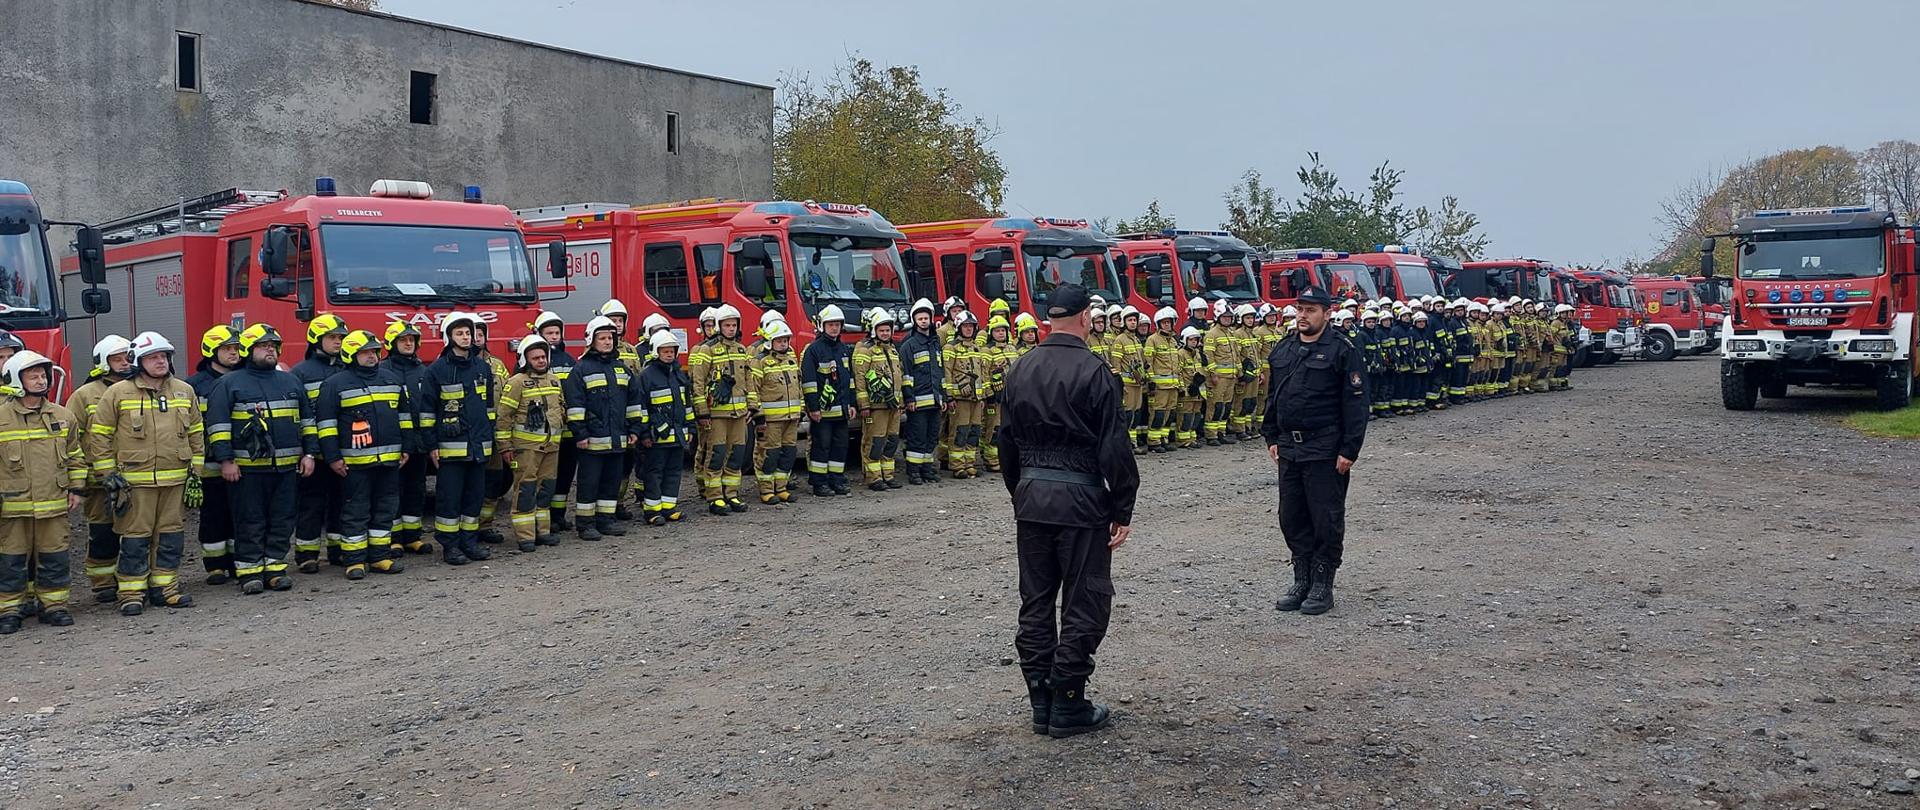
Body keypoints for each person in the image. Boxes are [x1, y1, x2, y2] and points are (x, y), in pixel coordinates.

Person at [996, 283, 1138, 739]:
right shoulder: (1096, 371)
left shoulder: (1020, 368)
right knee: (1085, 598)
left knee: (1036, 601)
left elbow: (1005, 443)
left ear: (1049, 320)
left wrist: (1021, 492)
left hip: (1032, 499)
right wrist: (1122, 506)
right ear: (1086, 318)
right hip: (1081, 501)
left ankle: (1041, 699)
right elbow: (1114, 447)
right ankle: (1068, 701)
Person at [1261, 287, 1368, 617]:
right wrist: (1271, 435)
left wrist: (1349, 449)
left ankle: (1322, 583)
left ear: (1327, 313)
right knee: (1291, 516)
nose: (1303, 315)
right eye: (1300, 309)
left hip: (1325, 447)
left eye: (1310, 310)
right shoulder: (1285, 348)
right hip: (1290, 447)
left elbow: (1356, 402)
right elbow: (1274, 395)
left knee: (1325, 517)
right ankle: (1302, 578)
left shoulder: (1342, 350)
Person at [89, 332, 204, 616]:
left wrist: (196, 473)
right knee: (135, 539)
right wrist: (108, 474)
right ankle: (131, 594)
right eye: (153, 357)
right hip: (134, 483)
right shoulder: (118, 393)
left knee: (170, 538)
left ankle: (166, 589)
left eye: (164, 356)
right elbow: (100, 436)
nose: (160, 361)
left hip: (175, 481)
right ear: (138, 361)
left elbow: (196, 433)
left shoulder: (184, 390)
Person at [205, 324, 312, 594]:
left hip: (286, 469)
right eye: (263, 346)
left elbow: (307, 422)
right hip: (247, 470)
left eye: (273, 346)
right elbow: (218, 426)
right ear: (248, 350)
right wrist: (226, 460)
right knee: (249, 520)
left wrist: (309, 454)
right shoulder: (228, 384)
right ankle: (249, 572)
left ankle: (275, 569)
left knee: (282, 520)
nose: (270, 350)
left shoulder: (291, 381)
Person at [316, 329, 415, 578]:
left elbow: (404, 418)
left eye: (374, 352)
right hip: (354, 464)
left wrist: (407, 448)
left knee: (385, 510)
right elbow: (326, 426)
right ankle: (354, 561)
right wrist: (333, 458)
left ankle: (380, 557)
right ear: (351, 354)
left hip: (389, 461)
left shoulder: (391, 380)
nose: (372, 356)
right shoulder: (334, 384)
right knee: (355, 512)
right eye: (365, 352)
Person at [0, 350, 85, 633]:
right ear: (15, 379)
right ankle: (9, 610)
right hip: (12, 507)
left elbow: (75, 456)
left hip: (53, 504)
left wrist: (77, 488)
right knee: (11, 561)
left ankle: (54, 606)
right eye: (32, 376)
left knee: (54, 557)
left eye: (43, 375)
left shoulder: (62, 416)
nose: (41, 381)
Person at [565, 315, 643, 540]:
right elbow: (575, 406)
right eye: (602, 338)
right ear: (591, 340)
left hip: (617, 440)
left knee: (611, 482)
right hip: (591, 442)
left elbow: (634, 402)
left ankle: (606, 520)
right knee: (589, 484)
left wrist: (634, 429)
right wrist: (580, 434)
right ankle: (585, 524)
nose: (608, 342)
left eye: (610, 338)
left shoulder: (622, 370)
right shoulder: (580, 370)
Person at [426, 312, 495, 565]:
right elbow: (427, 412)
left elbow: (489, 408)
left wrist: (489, 438)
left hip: (478, 448)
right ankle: (450, 546)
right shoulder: (437, 370)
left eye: (468, 333)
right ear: (449, 337)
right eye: (460, 333)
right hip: (450, 450)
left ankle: (469, 542)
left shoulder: (482, 368)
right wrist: (431, 446)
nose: (466, 337)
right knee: (449, 500)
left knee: (474, 499)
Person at [73, 335, 134, 604]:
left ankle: (132, 578)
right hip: (99, 481)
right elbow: (71, 438)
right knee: (102, 532)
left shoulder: (139, 388)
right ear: (103, 362)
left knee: (134, 531)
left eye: (127, 358)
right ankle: (103, 583)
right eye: (117, 359)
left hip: (134, 476)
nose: (124, 363)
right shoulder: (85, 395)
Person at [496, 334, 566, 550]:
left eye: (543, 357)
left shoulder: (554, 380)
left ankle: (542, 532)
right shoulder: (516, 383)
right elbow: (504, 416)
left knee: (546, 489)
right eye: (535, 358)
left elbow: (561, 407)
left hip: (551, 446)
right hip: (525, 449)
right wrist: (505, 447)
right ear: (525, 360)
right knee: (525, 490)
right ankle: (525, 536)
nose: (541, 361)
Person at [292, 313, 349, 573]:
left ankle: (338, 550)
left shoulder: (348, 368)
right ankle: (307, 555)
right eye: (332, 337)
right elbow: (298, 415)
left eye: (341, 337)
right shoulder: (301, 373)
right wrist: (307, 450)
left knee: (342, 501)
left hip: (342, 449)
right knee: (311, 503)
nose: (338, 342)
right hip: (314, 451)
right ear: (316, 339)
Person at [185, 325, 241, 585]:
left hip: (240, 460)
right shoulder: (193, 386)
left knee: (240, 514)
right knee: (213, 515)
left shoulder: (244, 379)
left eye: (236, 348)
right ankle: (215, 565)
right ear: (211, 351)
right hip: (208, 464)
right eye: (227, 349)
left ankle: (238, 561)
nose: (233, 353)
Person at [380, 320, 436, 555]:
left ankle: (413, 536)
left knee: (416, 488)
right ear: (392, 344)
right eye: (403, 340)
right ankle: (393, 538)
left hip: (419, 442)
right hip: (394, 443)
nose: (408, 343)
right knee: (392, 490)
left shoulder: (423, 371)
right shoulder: (382, 371)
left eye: (411, 340)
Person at [691, 305, 752, 514]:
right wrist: (702, 412)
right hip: (716, 414)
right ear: (719, 326)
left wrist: (753, 406)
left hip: (739, 413)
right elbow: (698, 382)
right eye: (727, 325)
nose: (731, 329)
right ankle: (715, 497)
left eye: (734, 325)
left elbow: (749, 380)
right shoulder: (707, 350)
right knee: (716, 454)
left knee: (737, 454)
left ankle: (731, 493)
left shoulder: (741, 349)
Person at [637, 329, 695, 525]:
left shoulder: (678, 374)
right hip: (656, 437)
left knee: (674, 472)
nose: (669, 355)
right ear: (656, 351)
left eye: (672, 351)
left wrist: (690, 428)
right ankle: (652, 511)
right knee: (654, 474)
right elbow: (642, 407)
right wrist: (645, 434)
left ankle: (669, 508)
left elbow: (687, 405)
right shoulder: (646, 375)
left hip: (677, 436)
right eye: (665, 351)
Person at [532, 311, 579, 529]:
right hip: (544, 432)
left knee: (565, 475)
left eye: (556, 333)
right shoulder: (534, 361)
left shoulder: (569, 360)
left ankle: (558, 516)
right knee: (545, 477)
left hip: (566, 431)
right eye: (549, 333)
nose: (553, 336)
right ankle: (544, 518)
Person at [748, 319, 803, 502]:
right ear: (769, 342)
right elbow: (753, 390)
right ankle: (766, 490)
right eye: (779, 341)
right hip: (770, 420)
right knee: (768, 455)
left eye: (785, 340)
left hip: (791, 418)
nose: (783, 344)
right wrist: (758, 416)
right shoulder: (760, 362)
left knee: (788, 453)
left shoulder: (791, 359)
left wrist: (801, 410)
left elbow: (799, 387)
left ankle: (781, 487)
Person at [800, 306, 852, 497]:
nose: (834, 328)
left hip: (842, 411)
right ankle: (819, 483)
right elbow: (809, 382)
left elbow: (849, 380)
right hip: (822, 412)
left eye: (837, 324)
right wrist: (813, 408)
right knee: (821, 447)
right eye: (831, 325)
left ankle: (836, 480)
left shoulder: (843, 349)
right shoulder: (814, 350)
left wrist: (851, 403)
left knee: (840, 447)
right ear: (822, 326)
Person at [852, 309, 904, 491]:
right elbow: (860, 379)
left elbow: (899, 377)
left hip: (893, 405)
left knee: (891, 441)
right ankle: (873, 477)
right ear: (874, 330)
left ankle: (888, 475)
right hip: (876, 407)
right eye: (881, 330)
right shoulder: (865, 350)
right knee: (875, 442)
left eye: (887, 330)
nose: (885, 333)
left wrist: (901, 402)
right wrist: (864, 405)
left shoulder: (893, 350)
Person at [899, 298, 945, 485]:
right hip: (917, 402)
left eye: (926, 318)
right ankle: (914, 471)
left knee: (931, 437)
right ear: (914, 321)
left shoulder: (935, 343)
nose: (924, 321)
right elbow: (906, 375)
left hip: (935, 400)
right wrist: (909, 398)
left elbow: (940, 373)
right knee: (917, 437)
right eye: (920, 319)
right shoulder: (908, 345)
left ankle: (927, 468)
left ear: (931, 319)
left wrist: (943, 397)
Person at [941, 312, 986, 479]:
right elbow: (947, 373)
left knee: (974, 432)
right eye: (965, 326)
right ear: (959, 328)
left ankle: (970, 464)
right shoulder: (950, 348)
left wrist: (982, 396)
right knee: (959, 431)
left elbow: (982, 374)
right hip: (959, 399)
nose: (969, 329)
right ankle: (957, 466)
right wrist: (949, 397)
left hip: (976, 399)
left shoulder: (976, 348)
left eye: (971, 326)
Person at [1143, 307, 1182, 453]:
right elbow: (1148, 362)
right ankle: (1153, 441)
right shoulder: (1152, 340)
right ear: (1158, 324)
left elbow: (1177, 364)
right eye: (1164, 322)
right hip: (1160, 387)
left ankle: (1163, 439)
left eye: (1169, 322)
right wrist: (1151, 381)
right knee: (1158, 414)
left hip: (1173, 385)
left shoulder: (1173, 341)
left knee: (1170, 414)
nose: (1167, 325)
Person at [979, 315, 1015, 472]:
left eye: (1003, 330)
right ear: (991, 333)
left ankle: (1006, 459)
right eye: (997, 331)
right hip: (995, 398)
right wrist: (989, 395)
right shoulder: (987, 351)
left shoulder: (1012, 349)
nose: (1000, 333)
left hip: (1011, 396)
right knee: (994, 429)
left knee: (1010, 429)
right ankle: (991, 460)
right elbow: (984, 374)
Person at [1202, 306, 1238, 445]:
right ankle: (1211, 435)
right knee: (1215, 406)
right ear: (1218, 317)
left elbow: (1235, 354)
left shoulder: (1230, 333)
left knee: (1226, 406)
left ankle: (1221, 433)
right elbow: (1208, 355)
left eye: (1229, 317)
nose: (1227, 319)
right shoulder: (1212, 334)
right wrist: (1213, 374)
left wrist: (1239, 372)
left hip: (1231, 376)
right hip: (1218, 378)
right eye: (1224, 317)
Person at [1176, 326, 1206, 449]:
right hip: (1187, 391)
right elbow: (1178, 372)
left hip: (1197, 391)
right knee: (1186, 417)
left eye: (1196, 340)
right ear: (1185, 340)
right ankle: (1183, 440)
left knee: (1196, 416)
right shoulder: (1180, 354)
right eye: (1191, 339)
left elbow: (1200, 370)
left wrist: (1200, 380)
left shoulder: (1197, 354)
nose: (1194, 342)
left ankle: (1192, 438)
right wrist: (1181, 388)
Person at [1549, 304, 1576, 390]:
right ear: (1558, 313)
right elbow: (1551, 335)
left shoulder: (1564, 323)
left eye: (1566, 313)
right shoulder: (1556, 323)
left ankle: (1561, 383)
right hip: (1557, 350)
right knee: (1555, 367)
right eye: (1562, 313)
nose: (1565, 315)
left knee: (1562, 367)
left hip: (1564, 350)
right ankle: (1553, 385)